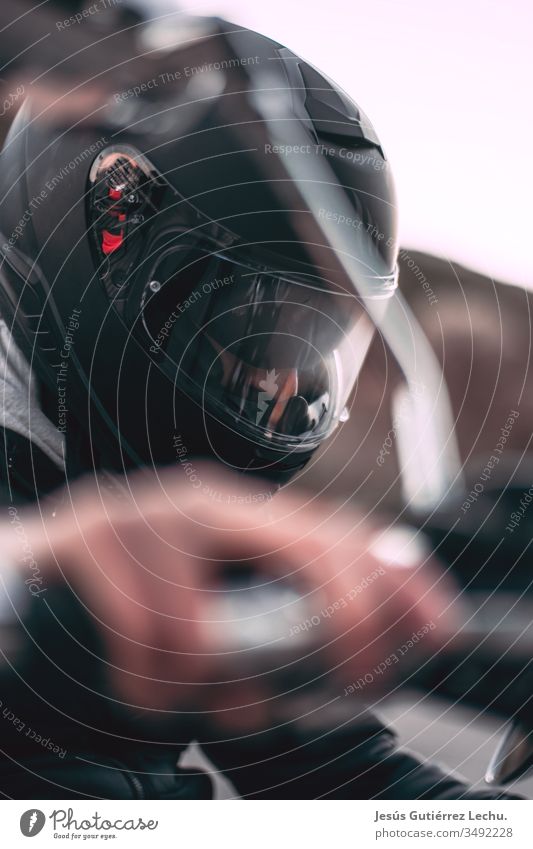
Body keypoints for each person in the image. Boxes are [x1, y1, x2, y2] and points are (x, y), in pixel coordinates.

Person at [0, 11, 521, 799]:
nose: (275, 389)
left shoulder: (179, 504)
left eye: (312, 348)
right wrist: (39, 582)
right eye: (251, 331)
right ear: (106, 229)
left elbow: (333, 776)